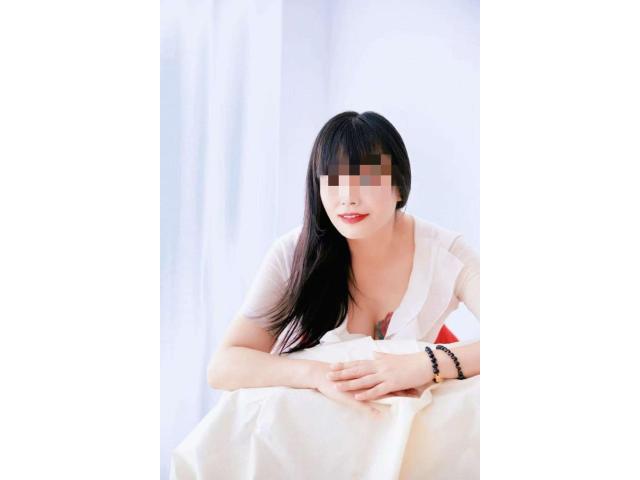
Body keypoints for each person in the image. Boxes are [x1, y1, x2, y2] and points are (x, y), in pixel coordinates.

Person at [207, 110, 480, 417]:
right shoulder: (294, 253)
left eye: (367, 178)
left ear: (399, 185)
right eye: (334, 180)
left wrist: (424, 364)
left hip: (405, 417)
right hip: (315, 418)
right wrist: (317, 375)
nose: (348, 197)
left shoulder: (446, 254)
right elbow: (223, 366)